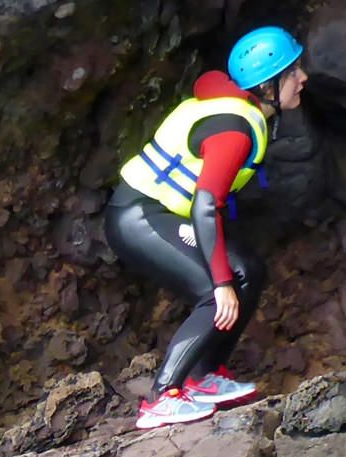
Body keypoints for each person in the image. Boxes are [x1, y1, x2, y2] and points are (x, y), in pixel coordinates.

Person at [108, 26, 308, 429]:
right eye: (293, 71)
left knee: (249, 269)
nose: (303, 78)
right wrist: (219, 283)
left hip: (160, 214)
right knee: (217, 288)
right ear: (268, 85)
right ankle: (164, 396)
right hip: (138, 217)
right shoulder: (234, 129)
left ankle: (204, 375)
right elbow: (205, 205)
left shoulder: (246, 112)